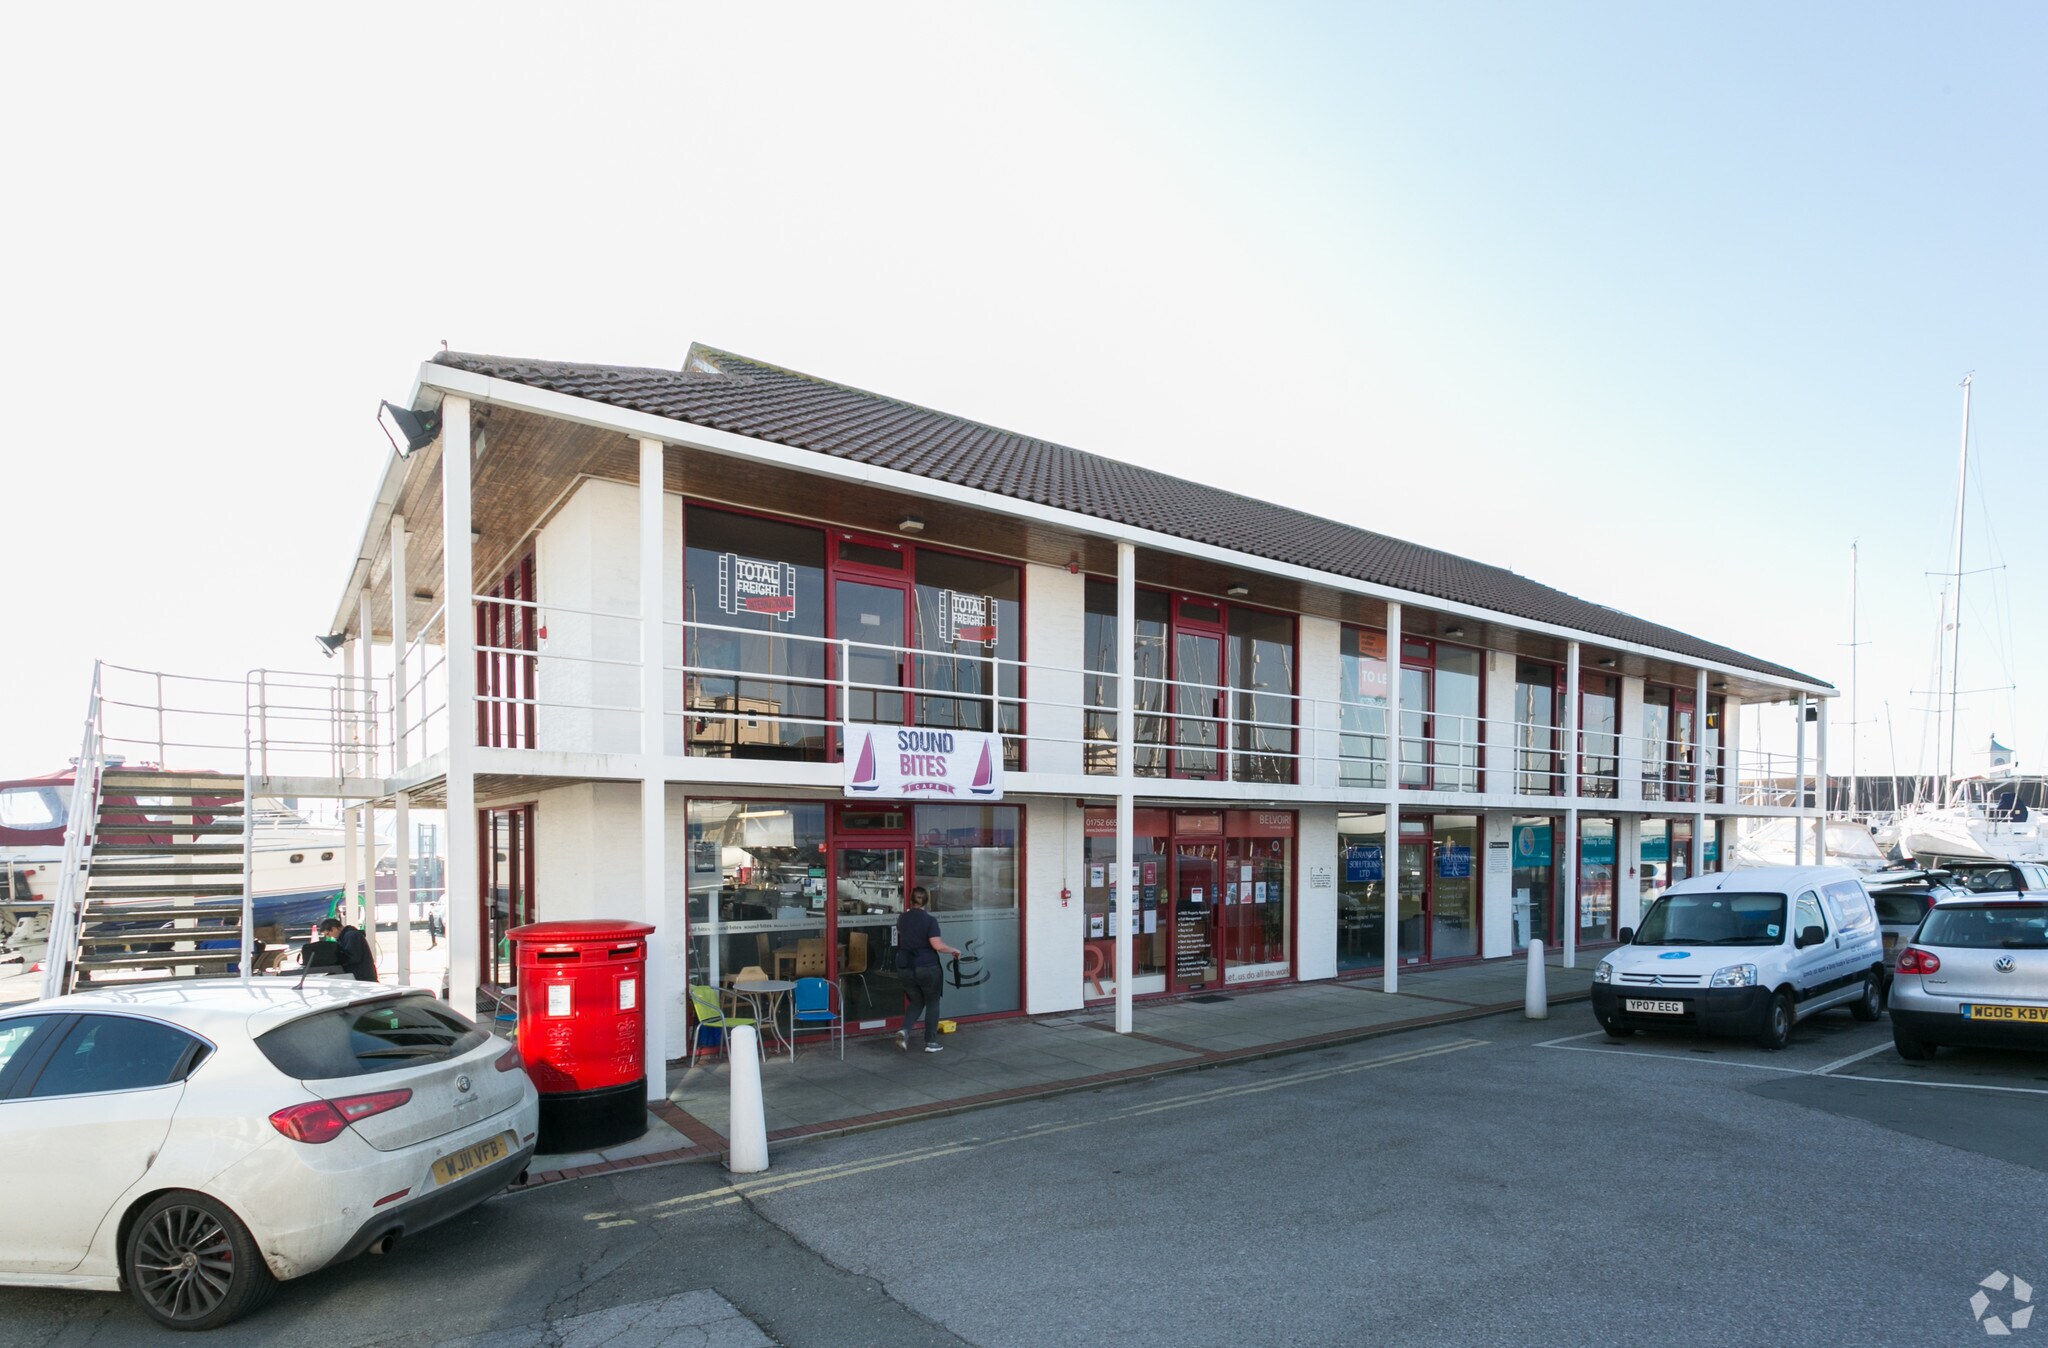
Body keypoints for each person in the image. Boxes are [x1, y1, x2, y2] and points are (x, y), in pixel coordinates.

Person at [894, 886, 960, 1053]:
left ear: (910, 899)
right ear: (927, 902)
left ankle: (904, 1030)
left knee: (916, 1001)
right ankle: (931, 1042)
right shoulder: (930, 920)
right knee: (932, 1002)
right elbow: (936, 945)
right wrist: (953, 949)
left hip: (905, 966)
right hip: (927, 966)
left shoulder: (902, 918)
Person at [319, 916, 379, 982]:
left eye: (328, 933)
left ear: (334, 928)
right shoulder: (346, 937)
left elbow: (353, 957)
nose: (329, 936)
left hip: (363, 977)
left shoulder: (351, 936)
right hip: (361, 976)